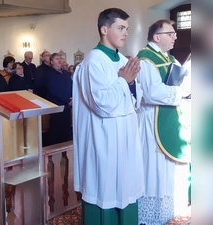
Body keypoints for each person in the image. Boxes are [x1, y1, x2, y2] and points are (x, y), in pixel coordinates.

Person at [72, 8, 144, 225]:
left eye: (127, 29)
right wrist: (124, 81)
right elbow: (102, 105)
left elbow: (134, 100)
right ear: (104, 29)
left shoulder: (122, 59)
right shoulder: (94, 61)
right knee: (105, 190)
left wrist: (131, 83)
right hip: (105, 141)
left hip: (125, 140)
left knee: (126, 187)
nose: (125, 33)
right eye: (120, 28)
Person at [136, 19, 190, 225]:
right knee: (153, 167)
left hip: (168, 118)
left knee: (166, 169)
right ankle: (150, 216)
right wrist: (181, 92)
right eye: (171, 33)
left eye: (175, 33)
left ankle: (167, 212)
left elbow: (184, 81)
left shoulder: (169, 58)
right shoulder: (146, 59)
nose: (175, 36)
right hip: (152, 121)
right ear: (156, 37)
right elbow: (152, 93)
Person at [44, 53, 72, 146]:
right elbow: (54, 90)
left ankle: (66, 149)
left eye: (60, 58)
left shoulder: (66, 73)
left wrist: (73, 98)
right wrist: (68, 101)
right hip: (57, 105)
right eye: (56, 59)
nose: (59, 60)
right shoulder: (49, 74)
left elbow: (71, 87)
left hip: (68, 106)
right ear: (52, 62)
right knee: (57, 130)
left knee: (66, 128)